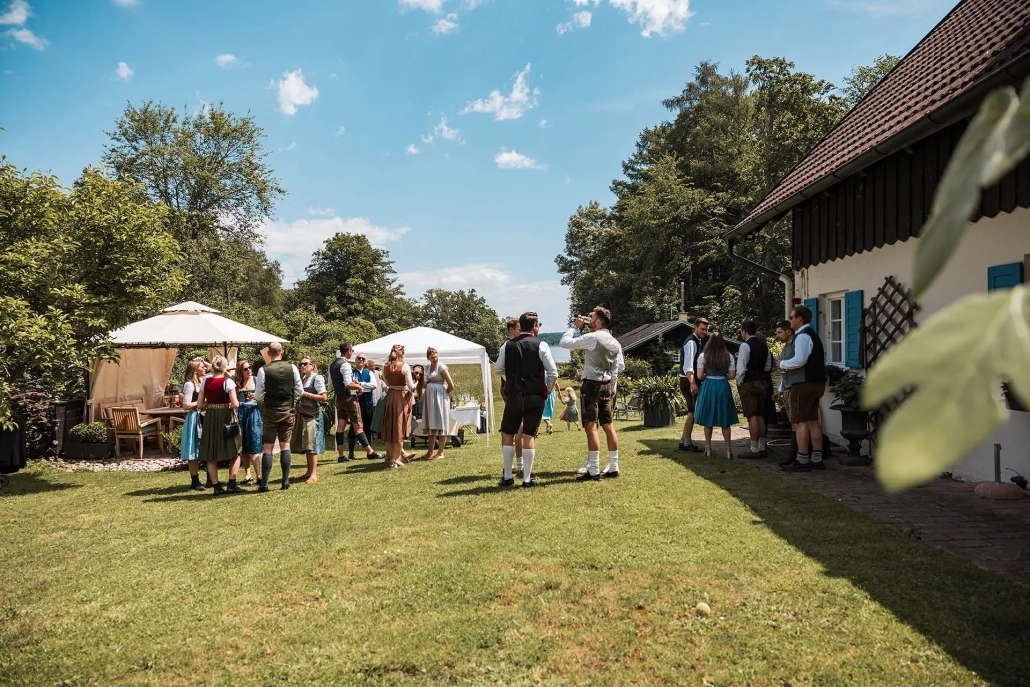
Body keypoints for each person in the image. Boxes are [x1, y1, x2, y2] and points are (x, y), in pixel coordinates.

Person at [560, 306, 625, 480]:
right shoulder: (614, 341)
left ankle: (594, 470)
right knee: (608, 426)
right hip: (606, 385)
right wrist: (612, 389)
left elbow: (565, 343)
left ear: (598, 321)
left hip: (592, 386)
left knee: (590, 426)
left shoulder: (593, 337)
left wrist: (574, 327)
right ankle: (614, 467)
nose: (589, 320)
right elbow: (617, 368)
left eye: (591, 318)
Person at [495, 311, 558, 487]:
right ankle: (527, 479)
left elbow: (499, 369)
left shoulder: (507, 345)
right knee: (529, 434)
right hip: (535, 394)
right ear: (534, 326)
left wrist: (511, 382)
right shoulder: (542, 345)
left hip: (514, 394)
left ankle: (507, 476)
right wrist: (547, 389)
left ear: (521, 326)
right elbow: (553, 372)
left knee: (508, 433)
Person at [779, 305, 828, 471]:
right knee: (813, 421)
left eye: (792, 317)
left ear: (799, 319)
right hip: (817, 384)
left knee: (800, 422)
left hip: (804, 384)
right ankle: (817, 457)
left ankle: (802, 459)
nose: (790, 320)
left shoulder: (802, 337)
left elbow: (800, 360)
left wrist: (782, 364)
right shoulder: (813, 335)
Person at [254, 342, 304, 491]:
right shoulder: (293, 368)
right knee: (285, 445)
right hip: (288, 410)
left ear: (268, 353)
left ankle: (264, 483)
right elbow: (300, 391)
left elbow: (258, 395)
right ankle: (285, 481)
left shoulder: (264, 370)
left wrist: (266, 397)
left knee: (267, 448)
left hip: (270, 411)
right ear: (282, 352)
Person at [197, 355, 243, 495]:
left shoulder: (205, 382)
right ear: (224, 367)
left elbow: (199, 404)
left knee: (211, 453)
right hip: (226, 416)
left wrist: (210, 404)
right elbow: (235, 404)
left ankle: (216, 487)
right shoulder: (228, 382)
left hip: (211, 417)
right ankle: (232, 483)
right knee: (236, 449)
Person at [329, 343, 383, 463]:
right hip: (349, 398)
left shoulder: (332, 365)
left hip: (339, 398)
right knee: (358, 426)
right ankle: (370, 452)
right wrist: (359, 387)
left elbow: (330, 383)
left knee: (340, 427)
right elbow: (348, 384)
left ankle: (341, 455)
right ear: (348, 351)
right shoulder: (346, 365)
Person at [694, 333, 739, 459]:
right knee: (725, 419)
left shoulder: (703, 356)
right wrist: (723, 375)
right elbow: (731, 375)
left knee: (708, 418)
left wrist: (707, 376)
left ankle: (708, 447)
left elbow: (699, 376)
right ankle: (728, 449)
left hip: (708, 385)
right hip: (723, 385)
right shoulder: (729, 356)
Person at [736, 320, 772, 459]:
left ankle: (753, 448)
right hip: (762, 382)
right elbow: (768, 366)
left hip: (749, 382)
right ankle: (762, 447)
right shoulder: (764, 347)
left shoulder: (745, 346)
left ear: (744, 331)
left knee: (752, 416)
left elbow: (741, 369)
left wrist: (739, 383)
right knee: (760, 414)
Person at [381, 345, 417, 468]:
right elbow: (411, 386)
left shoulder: (385, 366)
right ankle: (395, 460)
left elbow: (385, 382)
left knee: (390, 428)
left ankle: (391, 458)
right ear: (402, 353)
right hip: (400, 398)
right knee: (398, 428)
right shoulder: (404, 366)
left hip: (390, 396)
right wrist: (416, 383)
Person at [678, 317, 710, 452]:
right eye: (702, 329)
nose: (705, 332)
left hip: (689, 380)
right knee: (692, 411)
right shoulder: (691, 343)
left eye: (706, 330)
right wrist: (692, 383)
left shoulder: (696, 341)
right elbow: (688, 367)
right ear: (695, 327)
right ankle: (686, 443)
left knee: (692, 411)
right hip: (688, 380)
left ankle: (684, 440)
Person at [294, 357, 327, 484]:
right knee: (307, 441)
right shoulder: (303, 379)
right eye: (301, 364)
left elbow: (324, 397)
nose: (302, 366)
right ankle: (308, 471)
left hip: (312, 413)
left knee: (312, 442)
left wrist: (306, 394)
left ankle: (313, 474)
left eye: (305, 364)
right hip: (303, 412)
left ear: (312, 365)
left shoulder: (317, 378)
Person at [499, 317, 526, 474]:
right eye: (518, 330)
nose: (521, 332)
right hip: (510, 389)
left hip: (514, 388)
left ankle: (517, 464)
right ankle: (516, 465)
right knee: (515, 428)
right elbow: (499, 368)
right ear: (511, 330)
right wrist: (511, 380)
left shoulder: (516, 345)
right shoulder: (507, 346)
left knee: (517, 428)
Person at [772, 320, 798, 467]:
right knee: (792, 422)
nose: (778, 335)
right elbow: (784, 372)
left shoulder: (795, 347)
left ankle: (797, 455)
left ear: (789, 331)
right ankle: (793, 454)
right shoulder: (786, 348)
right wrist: (780, 390)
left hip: (795, 388)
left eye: (779, 332)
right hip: (787, 387)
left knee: (796, 423)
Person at [421, 347, 454, 460]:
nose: (435, 359)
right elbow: (428, 379)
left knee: (441, 422)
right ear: (428, 358)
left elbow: (451, 384)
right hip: (430, 398)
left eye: (436, 356)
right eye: (432, 357)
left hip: (440, 397)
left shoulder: (442, 367)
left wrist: (444, 394)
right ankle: (430, 451)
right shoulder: (428, 366)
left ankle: (440, 452)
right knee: (432, 422)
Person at [179, 359, 206, 491]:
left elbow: (219, 370)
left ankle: (210, 478)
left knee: (205, 448)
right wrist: (202, 402)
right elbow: (185, 405)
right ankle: (195, 480)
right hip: (195, 417)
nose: (205, 368)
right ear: (196, 370)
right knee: (194, 449)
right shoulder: (190, 385)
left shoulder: (203, 381)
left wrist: (205, 361)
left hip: (204, 415)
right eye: (202, 367)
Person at [345, 353, 378, 461]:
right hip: (355, 404)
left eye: (362, 359)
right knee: (353, 429)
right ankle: (351, 452)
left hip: (368, 404)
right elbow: (349, 386)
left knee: (368, 428)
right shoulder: (351, 373)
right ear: (355, 360)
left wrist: (360, 384)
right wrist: (363, 386)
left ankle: (369, 452)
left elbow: (374, 385)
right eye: (358, 358)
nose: (360, 360)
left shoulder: (369, 373)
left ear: (365, 361)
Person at [235, 359, 263, 484]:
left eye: (249, 367)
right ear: (240, 371)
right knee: (243, 444)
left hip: (253, 413)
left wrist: (255, 397)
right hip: (241, 414)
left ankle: (259, 475)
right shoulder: (236, 383)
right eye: (245, 369)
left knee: (254, 443)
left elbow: (264, 396)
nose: (249, 370)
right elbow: (222, 371)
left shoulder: (256, 380)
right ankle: (247, 474)